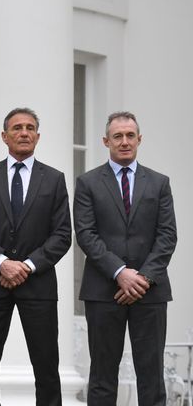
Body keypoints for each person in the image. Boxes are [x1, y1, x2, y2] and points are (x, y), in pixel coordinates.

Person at [75, 111, 176, 406]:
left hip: (151, 291)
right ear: (106, 140)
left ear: (139, 139)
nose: (124, 141)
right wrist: (120, 272)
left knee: (152, 378)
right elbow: (86, 234)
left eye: (130, 135)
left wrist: (142, 278)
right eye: (117, 136)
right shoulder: (88, 183)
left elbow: (167, 235)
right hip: (103, 291)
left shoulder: (159, 183)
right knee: (103, 377)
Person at [0, 108, 71, 406]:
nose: (24, 132)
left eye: (30, 128)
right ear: (5, 136)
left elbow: (62, 234)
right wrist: (2, 262)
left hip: (37, 285)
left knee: (46, 368)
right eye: (17, 128)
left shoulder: (54, 179)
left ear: (38, 136)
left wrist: (26, 266)